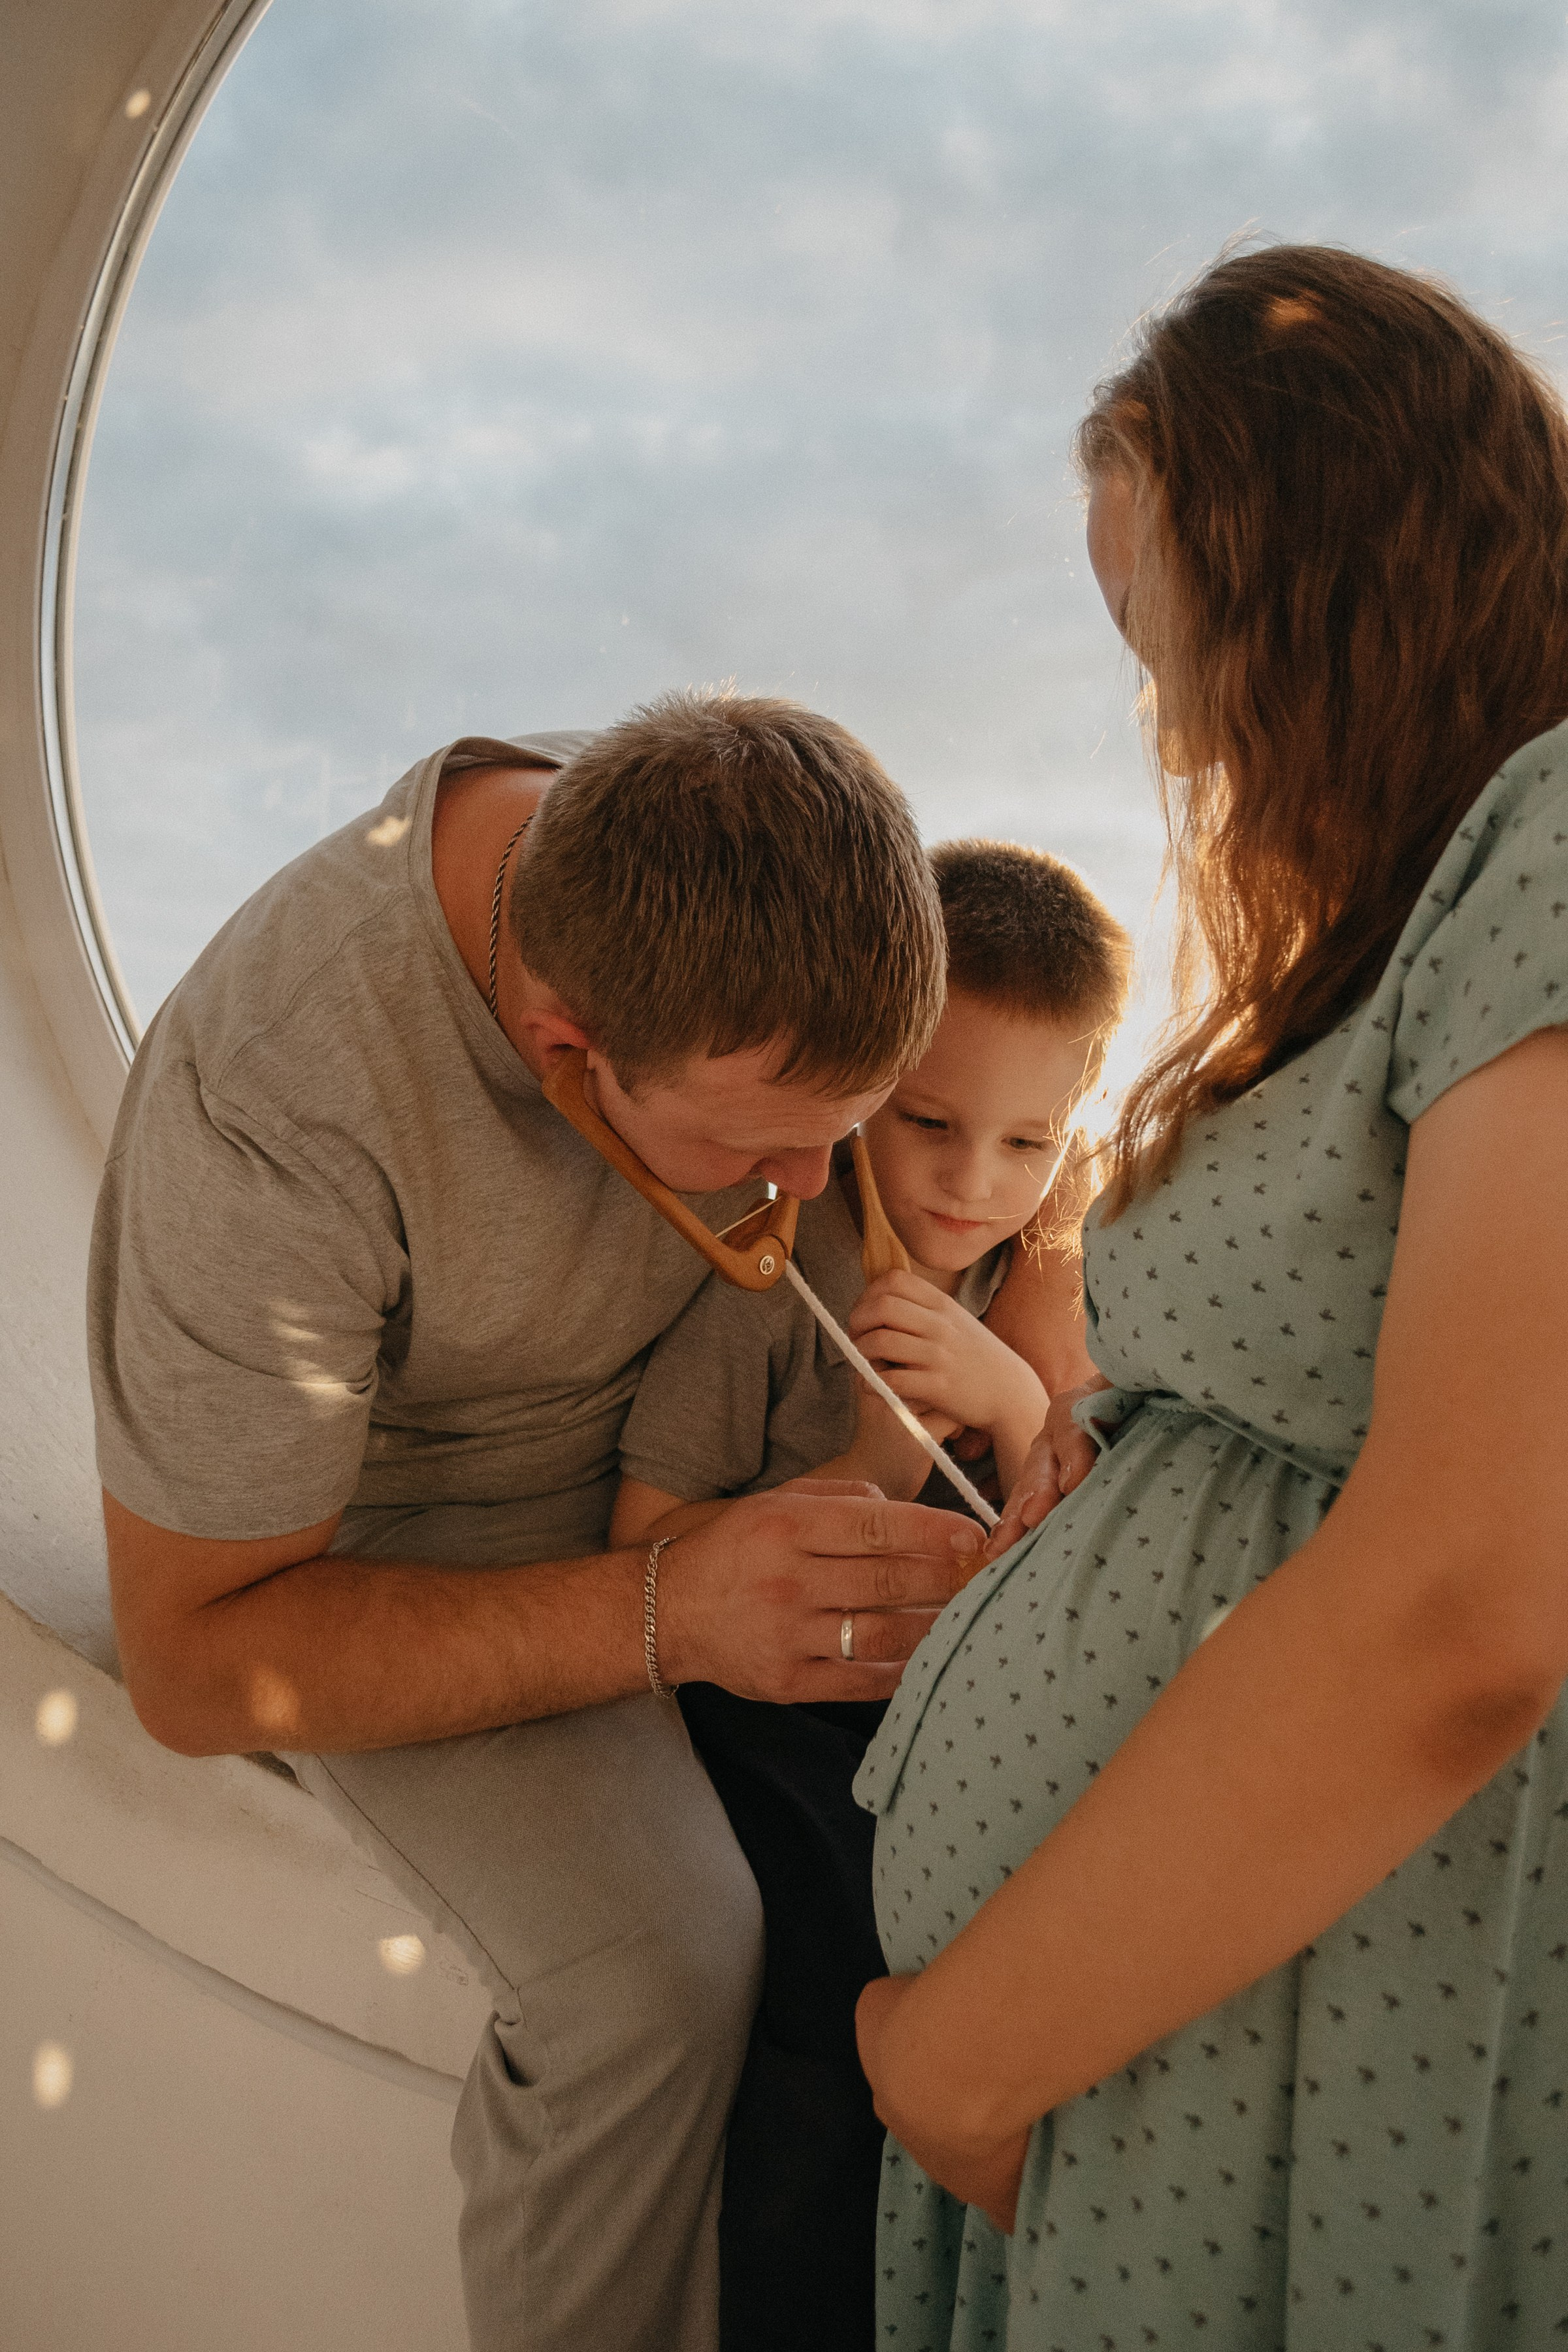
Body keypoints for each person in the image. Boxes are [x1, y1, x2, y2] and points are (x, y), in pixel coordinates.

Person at [88, 690, 994, 2352]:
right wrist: (667, 1610)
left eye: (843, 1137)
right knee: (662, 1978)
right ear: (570, 1052)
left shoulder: (729, 888)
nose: (811, 1194)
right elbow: (194, 1661)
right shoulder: (278, 1108)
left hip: (691, 1479)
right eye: (765, 1154)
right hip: (390, 1564)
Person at [852, 244, 1568, 2350]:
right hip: (1185, 2029)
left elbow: (1469, 1600)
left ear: (1335, 577)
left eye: (1176, 637)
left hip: (1318, 2042)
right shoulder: (1430, 905)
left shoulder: (1561, 832)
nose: (1169, 717)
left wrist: (965, 2050)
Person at [610, 838, 1130, 2349]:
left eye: (1029, 1145)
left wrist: (1016, 1404)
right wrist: (879, 1450)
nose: (977, 1182)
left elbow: (1071, 1529)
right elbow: (651, 1537)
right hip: (770, 1722)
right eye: (932, 1124)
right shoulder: (769, 1274)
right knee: (835, 1992)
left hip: (929, 1723)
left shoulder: (1025, 1279)